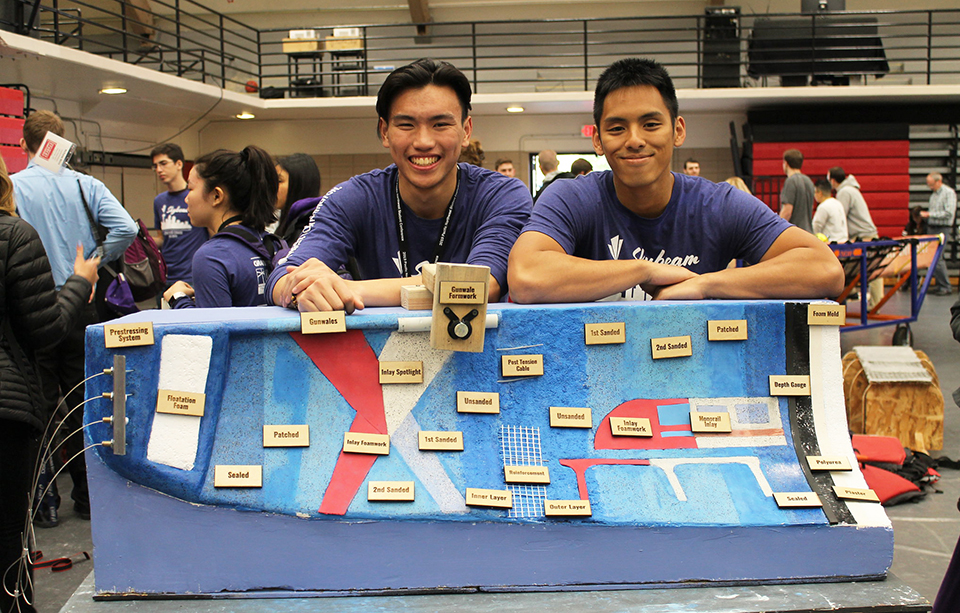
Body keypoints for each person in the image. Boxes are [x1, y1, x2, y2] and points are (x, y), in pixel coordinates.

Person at [507, 58, 843, 304]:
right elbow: (526, 276)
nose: (634, 139)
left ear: (677, 130)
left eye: (651, 124)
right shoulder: (572, 198)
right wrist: (644, 271)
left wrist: (707, 285)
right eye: (616, 128)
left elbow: (824, 269)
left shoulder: (717, 204)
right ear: (597, 140)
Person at [268, 58, 531, 313]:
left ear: (466, 131)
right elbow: (283, 275)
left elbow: (481, 285)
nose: (424, 141)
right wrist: (299, 291)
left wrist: (349, 290)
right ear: (384, 132)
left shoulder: (502, 195)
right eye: (406, 125)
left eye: (440, 124)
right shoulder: (353, 198)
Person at [12, 110, 136, 522]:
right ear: (63, 142)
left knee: (42, 408)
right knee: (88, 400)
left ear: (25, 145)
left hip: (32, 307)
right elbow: (127, 228)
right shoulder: (87, 184)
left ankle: (45, 504)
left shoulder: (13, 187)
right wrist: (95, 264)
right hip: (81, 304)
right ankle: (89, 500)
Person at [0, 155, 99, 613]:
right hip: (6, 416)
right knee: (7, 542)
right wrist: (80, 283)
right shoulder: (14, 235)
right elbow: (45, 330)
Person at [162, 146, 280, 309]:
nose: (186, 199)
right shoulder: (274, 243)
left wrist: (177, 298)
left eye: (191, 189)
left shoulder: (212, 256)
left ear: (216, 196)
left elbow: (211, 330)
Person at [152, 143, 207, 286]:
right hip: (166, 276)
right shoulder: (159, 201)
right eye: (156, 166)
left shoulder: (195, 196)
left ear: (179, 164)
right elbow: (161, 238)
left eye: (163, 164)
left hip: (191, 276)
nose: (159, 170)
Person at [828, 166, 882, 305]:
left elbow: (840, 215)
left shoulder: (844, 192)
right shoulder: (851, 189)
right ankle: (875, 301)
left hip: (863, 235)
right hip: (866, 233)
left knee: (870, 268)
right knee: (872, 267)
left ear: (833, 180)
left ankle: (874, 302)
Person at [922, 172, 957, 295]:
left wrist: (930, 214)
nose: (930, 187)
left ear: (938, 181)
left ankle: (946, 286)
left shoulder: (949, 193)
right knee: (932, 258)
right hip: (932, 227)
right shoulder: (934, 195)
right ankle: (939, 284)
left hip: (942, 228)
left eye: (931, 184)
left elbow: (949, 213)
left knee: (938, 257)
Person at [274, 153, 322, 245]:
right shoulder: (289, 221)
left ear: (299, 185)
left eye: (279, 181)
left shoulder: (310, 227)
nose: (272, 186)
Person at [779, 149, 814, 234]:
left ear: (786, 163)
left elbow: (787, 211)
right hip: (808, 232)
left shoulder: (791, 181)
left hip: (795, 233)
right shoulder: (808, 181)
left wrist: (777, 229)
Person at [812, 178, 849, 243]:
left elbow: (816, 227)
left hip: (831, 244)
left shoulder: (823, 206)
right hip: (844, 242)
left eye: (815, 192)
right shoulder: (838, 203)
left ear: (820, 193)